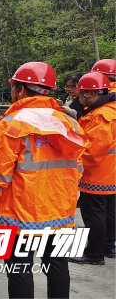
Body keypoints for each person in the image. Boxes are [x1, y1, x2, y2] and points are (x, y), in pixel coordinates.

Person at [0, 62, 87, 299]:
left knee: (19, 270)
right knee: (58, 267)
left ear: (19, 90)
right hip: (59, 211)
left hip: (18, 214)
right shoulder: (69, 123)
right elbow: (77, 169)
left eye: (14, 87)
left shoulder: (11, 124)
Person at [68, 71, 116, 265]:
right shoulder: (109, 110)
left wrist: (74, 168)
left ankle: (94, 254)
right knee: (109, 212)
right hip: (110, 174)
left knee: (94, 214)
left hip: (97, 175)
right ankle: (107, 248)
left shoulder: (102, 115)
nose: (79, 99)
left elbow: (92, 150)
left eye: (80, 95)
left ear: (89, 94)